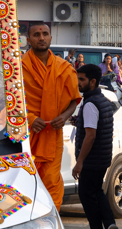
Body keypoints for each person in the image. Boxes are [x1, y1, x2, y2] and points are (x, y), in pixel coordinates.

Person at [22, 21, 81, 207]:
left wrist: (64, 117)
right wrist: (30, 119)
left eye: (45, 34)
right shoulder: (18, 67)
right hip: (26, 135)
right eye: (36, 35)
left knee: (51, 179)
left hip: (52, 134)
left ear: (51, 37)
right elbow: (8, 102)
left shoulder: (64, 68)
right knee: (25, 180)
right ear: (28, 39)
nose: (41, 38)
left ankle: (50, 219)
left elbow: (74, 99)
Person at [73, 64, 118, 229]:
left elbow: (90, 136)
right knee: (97, 191)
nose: (78, 83)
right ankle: (110, 224)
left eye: (82, 79)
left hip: (92, 159)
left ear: (92, 81)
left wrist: (79, 162)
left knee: (86, 194)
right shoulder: (102, 99)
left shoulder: (91, 104)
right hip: (102, 157)